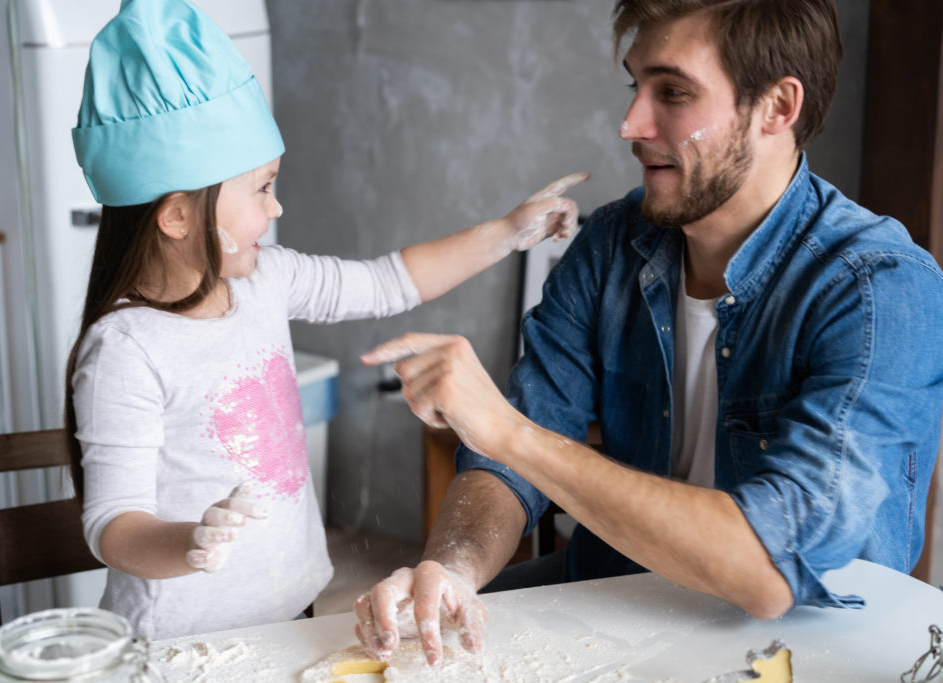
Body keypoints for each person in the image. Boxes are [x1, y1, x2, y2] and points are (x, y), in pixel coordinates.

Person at [354, 0, 943, 667]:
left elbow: (767, 567)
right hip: (616, 603)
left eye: (673, 92)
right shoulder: (610, 244)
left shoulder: (880, 287)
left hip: (811, 649)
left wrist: (509, 431)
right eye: (635, 86)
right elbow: (506, 464)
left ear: (778, 107)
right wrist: (452, 569)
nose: (631, 124)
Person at [64, 0, 587, 641]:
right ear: (176, 217)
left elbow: (389, 280)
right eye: (261, 188)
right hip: (180, 643)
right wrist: (188, 542)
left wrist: (508, 232)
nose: (277, 204)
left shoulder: (265, 279)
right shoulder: (125, 348)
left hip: (290, 616)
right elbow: (114, 526)